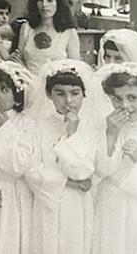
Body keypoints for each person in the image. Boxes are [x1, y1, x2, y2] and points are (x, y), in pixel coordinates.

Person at [24, 60, 106, 254]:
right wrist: (68, 183)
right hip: (48, 201)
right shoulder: (38, 126)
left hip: (77, 204)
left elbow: (84, 171)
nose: (68, 100)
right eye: (60, 93)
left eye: (75, 93)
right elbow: (30, 170)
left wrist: (72, 134)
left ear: (84, 95)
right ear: (48, 95)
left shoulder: (91, 129)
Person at [0, 61, 37, 254]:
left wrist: (4, 130)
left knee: (10, 242)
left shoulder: (26, 124)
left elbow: (20, 164)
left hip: (14, 195)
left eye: (3, 89)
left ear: (17, 97)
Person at [92, 62, 137, 254]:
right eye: (117, 99)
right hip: (110, 206)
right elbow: (100, 171)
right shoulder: (107, 125)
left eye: (132, 98)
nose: (125, 106)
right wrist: (111, 135)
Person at [14, 0, 80, 75]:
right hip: (27, 81)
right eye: (40, 0)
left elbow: (75, 68)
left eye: (49, 0)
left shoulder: (69, 32)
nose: (44, 4)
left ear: (58, 3)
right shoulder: (27, 28)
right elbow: (18, 61)